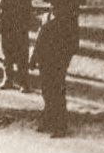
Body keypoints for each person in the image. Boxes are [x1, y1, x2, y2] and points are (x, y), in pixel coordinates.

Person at [32, 9, 80, 137]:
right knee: (47, 92)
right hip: (44, 61)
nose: (54, 6)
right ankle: (48, 121)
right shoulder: (46, 17)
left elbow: (74, 44)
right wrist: (34, 58)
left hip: (58, 63)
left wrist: (65, 60)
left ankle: (60, 126)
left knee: (57, 93)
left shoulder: (69, 21)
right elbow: (39, 39)